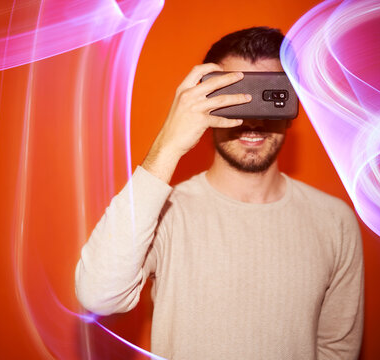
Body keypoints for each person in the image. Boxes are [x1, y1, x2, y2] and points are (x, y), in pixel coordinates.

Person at [75, 26, 364, 360]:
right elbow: (98, 294)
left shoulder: (334, 220)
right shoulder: (168, 214)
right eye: (235, 95)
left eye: (268, 95)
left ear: (293, 103)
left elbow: (337, 348)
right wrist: (167, 145)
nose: (252, 118)